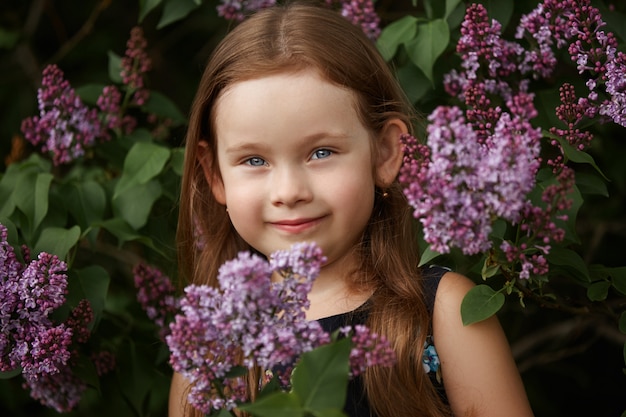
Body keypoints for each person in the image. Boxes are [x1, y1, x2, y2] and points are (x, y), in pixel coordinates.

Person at [170, 2, 535, 417]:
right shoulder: (208, 346)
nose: (288, 192)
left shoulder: (444, 313)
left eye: (321, 152)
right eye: (254, 160)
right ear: (214, 173)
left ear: (384, 153)